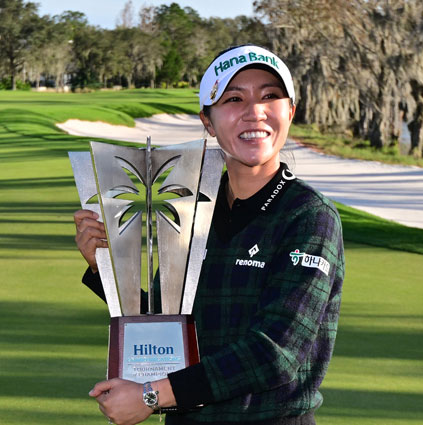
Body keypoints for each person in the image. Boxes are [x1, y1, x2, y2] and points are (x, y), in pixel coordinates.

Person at [73, 44, 344, 425]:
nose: (255, 111)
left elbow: (276, 353)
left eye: (270, 96)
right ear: (208, 121)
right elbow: (167, 324)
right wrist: (106, 268)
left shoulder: (309, 216)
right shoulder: (193, 209)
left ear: (290, 112)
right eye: (234, 98)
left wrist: (152, 395)